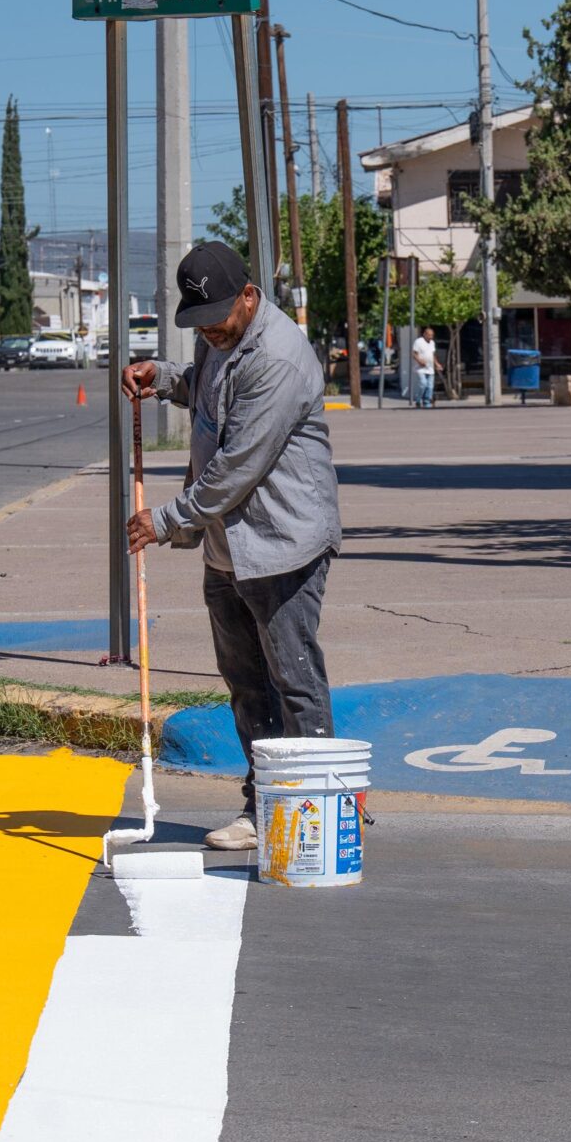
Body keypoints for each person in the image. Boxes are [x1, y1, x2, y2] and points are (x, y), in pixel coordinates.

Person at [123, 242, 341, 851]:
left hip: (282, 544)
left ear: (249, 296)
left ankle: (316, 812)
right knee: (246, 685)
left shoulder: (279, 357)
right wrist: (164, 379)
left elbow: (237, 466)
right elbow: (208, 390)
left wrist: (164, 520)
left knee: (293, 681)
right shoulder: (218, 336)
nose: (209, 331)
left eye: (218, 318)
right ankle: (264, 805)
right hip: (227, 549)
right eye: (199, 324)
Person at [410, 325, 437, 407]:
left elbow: (432, 355)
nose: (430, 337)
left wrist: (437, 364)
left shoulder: (432, 343)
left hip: (430, 368)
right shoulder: (419, 341)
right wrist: (420, 361)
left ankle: (427, 401)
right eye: (429, 335)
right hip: (421, 368)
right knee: (423, 383)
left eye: (432, 335)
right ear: (424, 334)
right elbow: (414, 354)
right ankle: (418, 400)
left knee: (430, 386)